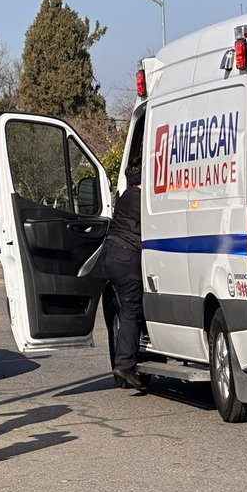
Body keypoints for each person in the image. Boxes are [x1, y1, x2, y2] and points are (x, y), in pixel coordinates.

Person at [103, 162, 145, 392]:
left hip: (111, 255)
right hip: (126, 259)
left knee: (121, 309)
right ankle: (124, 365)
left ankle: (123, 360)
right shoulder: (139, 199)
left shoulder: (124, 197)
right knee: (131, 311)